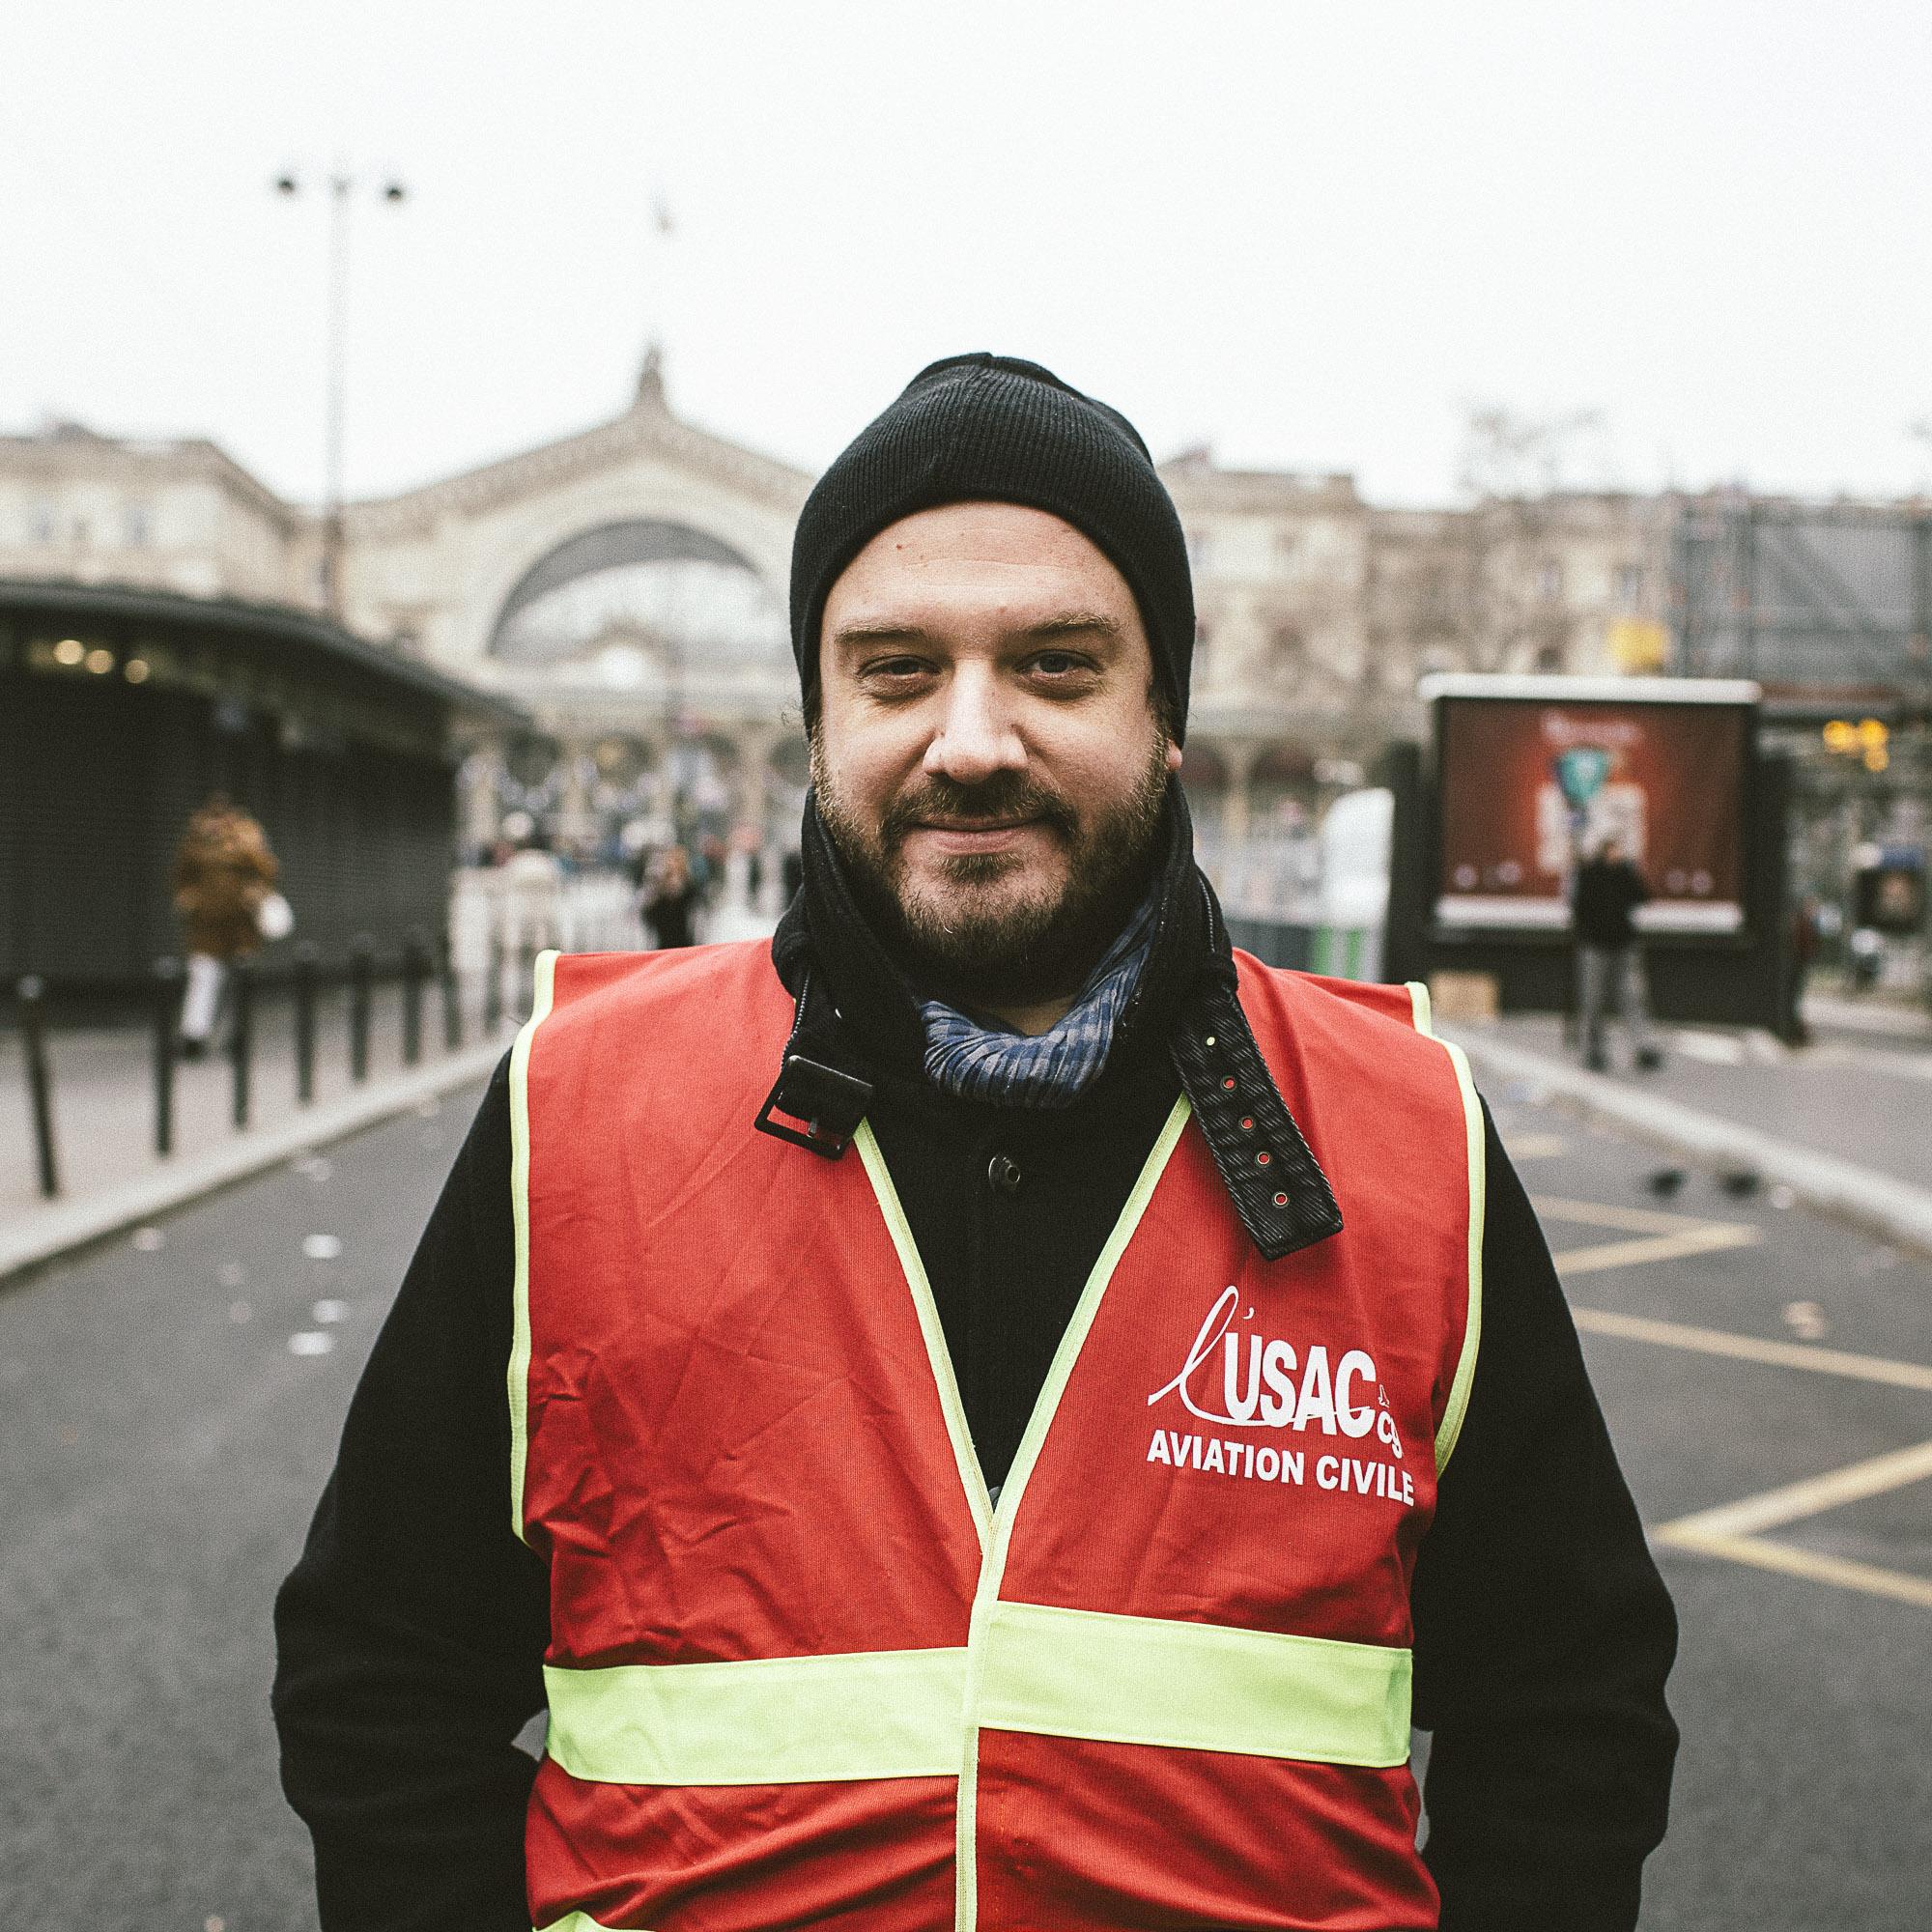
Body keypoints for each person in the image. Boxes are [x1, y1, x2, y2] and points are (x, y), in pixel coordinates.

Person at [274, 355, 1677, 1932]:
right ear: (816, 721)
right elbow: (382, 1674)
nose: (969, 739)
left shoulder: (1407, 1125)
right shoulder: (576, 1101)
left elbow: (1568, 1709)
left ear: (1167, 719)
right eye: (894, 674)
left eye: (1056, 667)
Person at [170, 793, 278, 1059]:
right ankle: (195, 1034)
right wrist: (187, 898)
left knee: (239, 979)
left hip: (240, 924)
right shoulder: (195, 840)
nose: (215, 822)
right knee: (203, 976)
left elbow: (267, 871)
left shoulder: (247, 837)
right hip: (205, 923)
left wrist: (254, 893)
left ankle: (236, 1034)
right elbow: (181, 875)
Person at [1571, 836, 1662, 1073]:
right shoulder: (1590, 874)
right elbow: (1579, 907)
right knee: (1593, 998)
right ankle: (1594, 1049)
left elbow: (1642, 896)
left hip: (1623, 944)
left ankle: (1643, 1045)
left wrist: (1629, 872)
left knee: (1633, 996)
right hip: (1595, 944)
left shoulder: (1624, 873)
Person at [641, 843, 702, 950]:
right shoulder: (658, 887)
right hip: (663, 943)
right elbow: (649, 915)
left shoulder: (690, 887)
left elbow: (695, 915)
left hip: (684, 943)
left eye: (676, 860)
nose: (673, 864)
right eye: (670, 860)